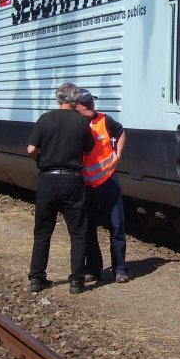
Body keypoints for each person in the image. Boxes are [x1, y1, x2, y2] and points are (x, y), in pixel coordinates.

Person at [26, 83, 95, 295]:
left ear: (58, 99)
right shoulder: (81, 122)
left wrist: (41, 161)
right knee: (78, 232)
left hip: (48, 179)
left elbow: (31, 149)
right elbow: (89, 149)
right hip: (73, 180)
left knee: (43, 231)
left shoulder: (45, 119)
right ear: (75, 100)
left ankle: (37, 278)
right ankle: (77, 281)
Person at [74, 88, 129, 283]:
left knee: (117, 225)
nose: (91, 106)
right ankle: (93, 268)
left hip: (108, 180)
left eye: (91, 102)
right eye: (86, 103)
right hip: (86, 184)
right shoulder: (74, 124)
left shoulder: (105, 120)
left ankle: (120, 269)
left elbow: (121, 132)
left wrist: (118, 155)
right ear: (75, 106)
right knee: (88, 228)